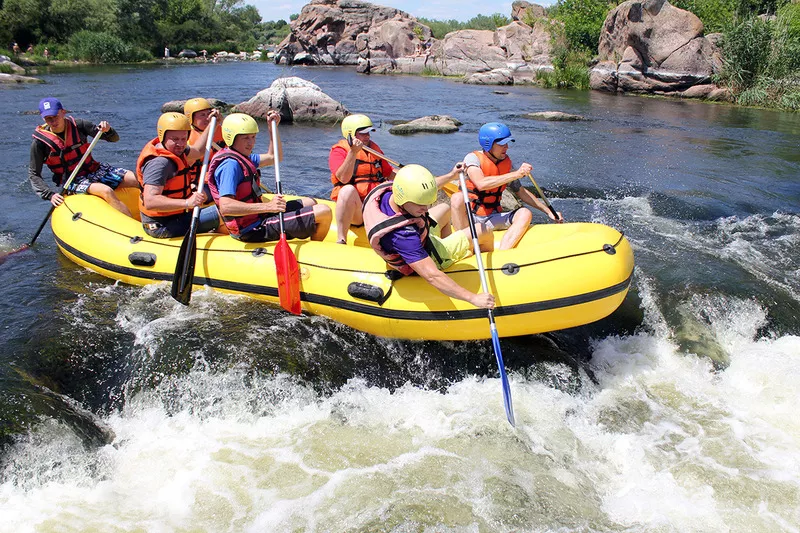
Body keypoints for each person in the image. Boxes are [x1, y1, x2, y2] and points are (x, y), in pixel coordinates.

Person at [362, 164, 495, 309]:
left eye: (427, 203)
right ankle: (453, 259)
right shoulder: (403, 237)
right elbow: (432, 276)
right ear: (404, 198)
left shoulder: (392, 193)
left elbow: (423, 191)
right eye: (421, 204)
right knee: (484, 230)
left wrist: (452, 175)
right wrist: (473, 298)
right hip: (430, 254)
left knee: (444, 208)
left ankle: (454, 247)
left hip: (422, 236)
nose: (426, 209)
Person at [207, 112, 331, 243]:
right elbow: (226, 207)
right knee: (324, 212)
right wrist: (269, 207)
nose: (251, 143)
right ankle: (313, 254)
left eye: (253, 137)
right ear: (231, 138)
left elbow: (274, 157)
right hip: (251, 229)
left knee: (310, 202)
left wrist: (273, 128)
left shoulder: (242, 156)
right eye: (245, 138)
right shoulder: (230, 166)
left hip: (258, 217)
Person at [450, 122, 563, 250]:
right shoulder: (472, 159)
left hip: (492, 218)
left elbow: (521, 192)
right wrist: (516, 174)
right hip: (469, 218)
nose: (507, 147)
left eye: (507, 144)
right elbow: (481, 184)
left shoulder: (506, 163)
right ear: (488, 144)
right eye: (502, 144)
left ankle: (503, 254)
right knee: (456, 198)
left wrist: (548, 211)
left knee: (525, 213)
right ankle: (463, 247)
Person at [28, 97, 139, 216]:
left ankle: (155, 216)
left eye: (55, 116)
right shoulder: (40, 143)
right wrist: (50, 195)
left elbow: (114, 139)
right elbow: (34, 174)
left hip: (94, 170)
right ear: (43, 118)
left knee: (136, 179)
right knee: (106, 191)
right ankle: (132, 227)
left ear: (63, 112)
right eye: (48, 118)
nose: (53, 121)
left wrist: (108, 130)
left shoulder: (79, 125)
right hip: (71, 181)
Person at [135, 112, 222, 238]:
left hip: (177, 216)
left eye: (183, 139)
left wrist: (213, 124)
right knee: (225, 211)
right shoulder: (160, 164)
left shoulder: (175, 149)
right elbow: (150, 201)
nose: (180, 144)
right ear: (162, 136)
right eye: (175, 139)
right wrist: (187, 202)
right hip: (162, 225)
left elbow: (198, 151)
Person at [329, 114, 395, 244]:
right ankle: (341, 238)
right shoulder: (339, 152)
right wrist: (353, 152)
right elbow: (343, 178)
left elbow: (390, 173)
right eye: (363, 134)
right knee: (347, 190)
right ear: (350, 134)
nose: (367, 137)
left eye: (368, 133)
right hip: (357, 211)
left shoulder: (374, 150)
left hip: (375, 207)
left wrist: (410, 175)